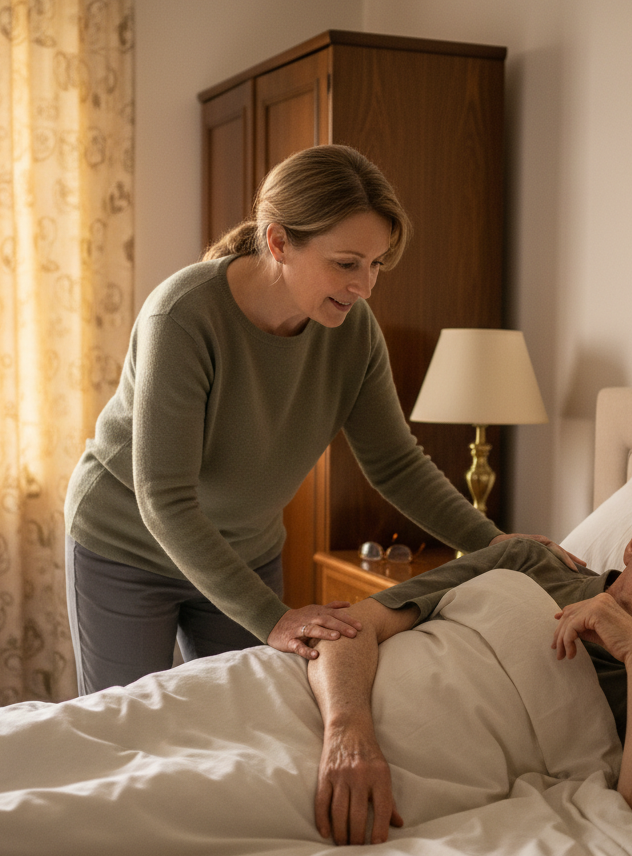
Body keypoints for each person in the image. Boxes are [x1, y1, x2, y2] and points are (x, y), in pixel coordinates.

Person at [64, 144, 561, 695]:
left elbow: (395, 463)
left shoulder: (354, 331)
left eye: (376, 265)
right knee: (127, 731)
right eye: (347, 264)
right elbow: (164, 497)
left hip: (244, 554)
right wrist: (273, 618)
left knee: (249, 728)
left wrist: (496, 547)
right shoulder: (183, 318)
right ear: (278, 241)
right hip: (126, 548)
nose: (365, 286)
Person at [305, 493, 632, 846]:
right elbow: (351, 628)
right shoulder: (529, 561)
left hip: (414, 784)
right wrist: (348, 734)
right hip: (327, 716)